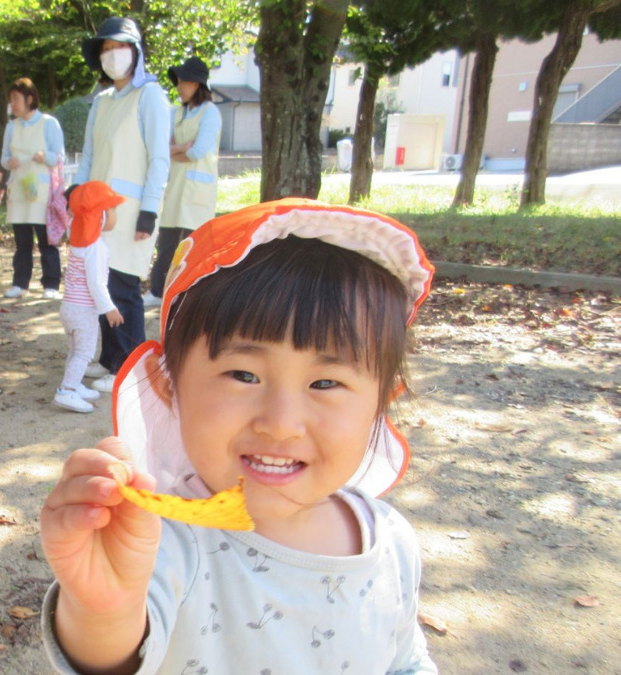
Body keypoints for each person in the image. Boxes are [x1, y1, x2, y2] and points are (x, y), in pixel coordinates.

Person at [39, 198, 439, 674]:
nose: (280, 422)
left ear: (381, 402)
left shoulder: (391, 541)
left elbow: (406, 661)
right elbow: (112, 656)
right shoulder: (162, 543)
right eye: (243, 375)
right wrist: (103, 608)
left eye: (326, 383)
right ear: (170, 387)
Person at [68, 17, 171, 392]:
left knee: (124, 284)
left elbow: (160, 158)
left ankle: (130, 366)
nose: (112, 55)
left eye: (119, 47)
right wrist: (75, 192)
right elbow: (90, 154)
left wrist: (150, 208)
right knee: (101, 281)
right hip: (97, 210)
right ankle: (111, 359)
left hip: (132, 209)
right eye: (106, 49)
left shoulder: (152, 96)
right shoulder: (103, 102)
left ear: (136, 51)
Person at [144, 56, 221, 308]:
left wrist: (173, 149)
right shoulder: (174, 112)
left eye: (185, 81)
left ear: (198, 84)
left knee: (194, 245)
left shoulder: (211, 113)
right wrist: (180, 148)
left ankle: (192, 294)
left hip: (199, 190)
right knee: (166, 242)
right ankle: (157, 290)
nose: (179, 86)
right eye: (179, 81)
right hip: (176, 186)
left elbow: (198, 151)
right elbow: (159, 148)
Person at [53, 182, 125, 414]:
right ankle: (66, 390)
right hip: (84, 311)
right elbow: (96, 283)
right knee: (84, 353)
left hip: (69, 308)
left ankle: (74, 386)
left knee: (75, 352)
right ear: (100, 216)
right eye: (111, 210)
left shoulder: (80, 241)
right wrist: (109, 308)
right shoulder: (96, 247)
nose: (115, 216)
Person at [2, 77, 67, 300]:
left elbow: (60, 157)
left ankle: (51, 283)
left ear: (30, 98)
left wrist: (45, 156)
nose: (14, 104)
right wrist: (8, 162)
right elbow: (3, 158)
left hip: (42, 191)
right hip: (19, 189)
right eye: (11, 100)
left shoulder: (49, 123)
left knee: (47, 240)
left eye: (16, 99)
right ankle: (20, 283)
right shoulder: (11, 127)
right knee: (22, 241)